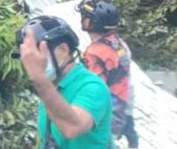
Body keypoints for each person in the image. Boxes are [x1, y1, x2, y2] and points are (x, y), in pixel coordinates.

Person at [14, 15, 113, 149]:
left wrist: (39, 78)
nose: (31, 62)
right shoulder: (51, 88)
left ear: (63, 50)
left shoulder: (92, 87)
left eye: (38, 53)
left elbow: (72, 127)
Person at [77, 0, 138, 148]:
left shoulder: (94, 53)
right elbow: (126, 82)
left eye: (85, 17)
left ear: (91, 22)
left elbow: (91, 91)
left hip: (107, 115)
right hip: (122, 108)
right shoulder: (119, 44)